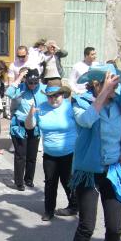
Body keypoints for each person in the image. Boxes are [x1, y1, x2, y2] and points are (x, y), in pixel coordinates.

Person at [66, 64, 121, 241]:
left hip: (114, 170)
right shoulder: (81, 102)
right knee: (87, 225)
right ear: (96, 84)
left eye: (114, 82)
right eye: (108, 81)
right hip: (89, 172)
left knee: (115, 227)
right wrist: (104, 93)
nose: (114, 86)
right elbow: (86, 121)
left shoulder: (120, 105)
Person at [25, 80, 78, 220]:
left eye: (56, 96)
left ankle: (74, 206)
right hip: (50, 154)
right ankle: (49, 211)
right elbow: (29, 127)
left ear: (62, 95)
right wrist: (30, 115)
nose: (53, 99)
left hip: (69, 153)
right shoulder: (40, 108)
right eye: (50, 96)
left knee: (68, 181)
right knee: (50, 182)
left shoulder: (70, 107)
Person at [5, 68, 47, 190]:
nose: (33, 85)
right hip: (20, 125)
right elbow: (8, 92)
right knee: (20, 155)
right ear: (26, 81)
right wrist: (19, 78)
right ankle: (19, 182)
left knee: (32, 155)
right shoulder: (21, 87)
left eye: (35, 82)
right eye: (30, 82)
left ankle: (29, 179)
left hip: (35, 126)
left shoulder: (43, 89)